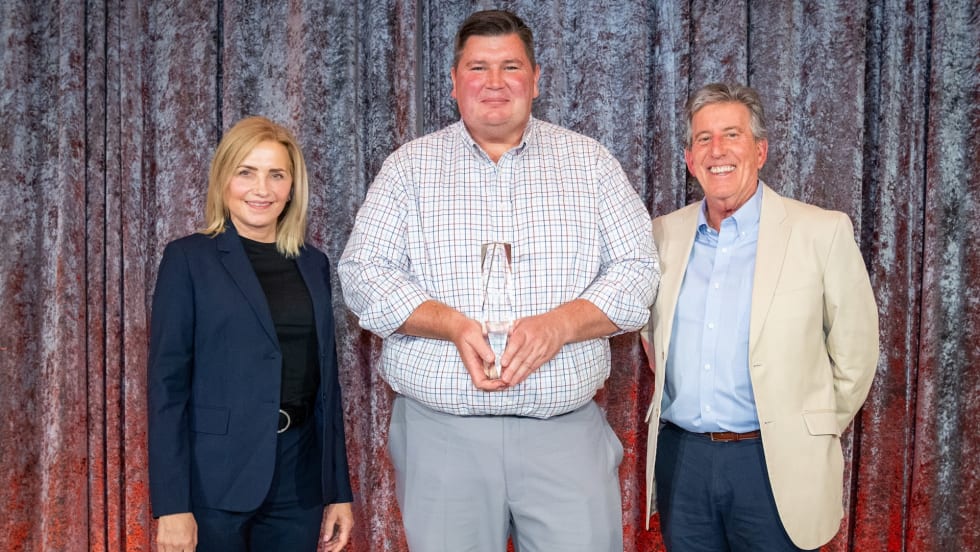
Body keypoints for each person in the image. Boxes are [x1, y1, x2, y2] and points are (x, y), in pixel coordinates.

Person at [338, 9, 658, 552]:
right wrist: (449, 324)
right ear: (454, 82)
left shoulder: (590, 164)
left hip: (564, 435)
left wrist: (561, 325)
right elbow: (362, 275)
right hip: (442, 438)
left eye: (510, 66)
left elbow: (638, 273)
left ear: (535, 79)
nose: (493, 82)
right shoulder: (408, 169)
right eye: (478, 67)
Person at [643, 83, 879, 551]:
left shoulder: (821, 232)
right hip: (683, 462)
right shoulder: (661, 235)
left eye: (732, 134)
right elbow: (652, 338)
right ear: (690, 160)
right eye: (704, 139)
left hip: (775, 465)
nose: (718, 151)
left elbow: (857, 354)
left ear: (761, 150)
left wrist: (806, 426)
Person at [147, 116, 353, 552]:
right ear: (224, 179)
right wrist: (171, 505)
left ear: (292, 185)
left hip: (299, 481)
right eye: (247, 172)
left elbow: (326, 388)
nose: (262, 189)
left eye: (276, 174)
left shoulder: (313, 264)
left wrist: (337, 491)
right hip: (213, 483)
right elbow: (167, 388)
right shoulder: (188, 259)